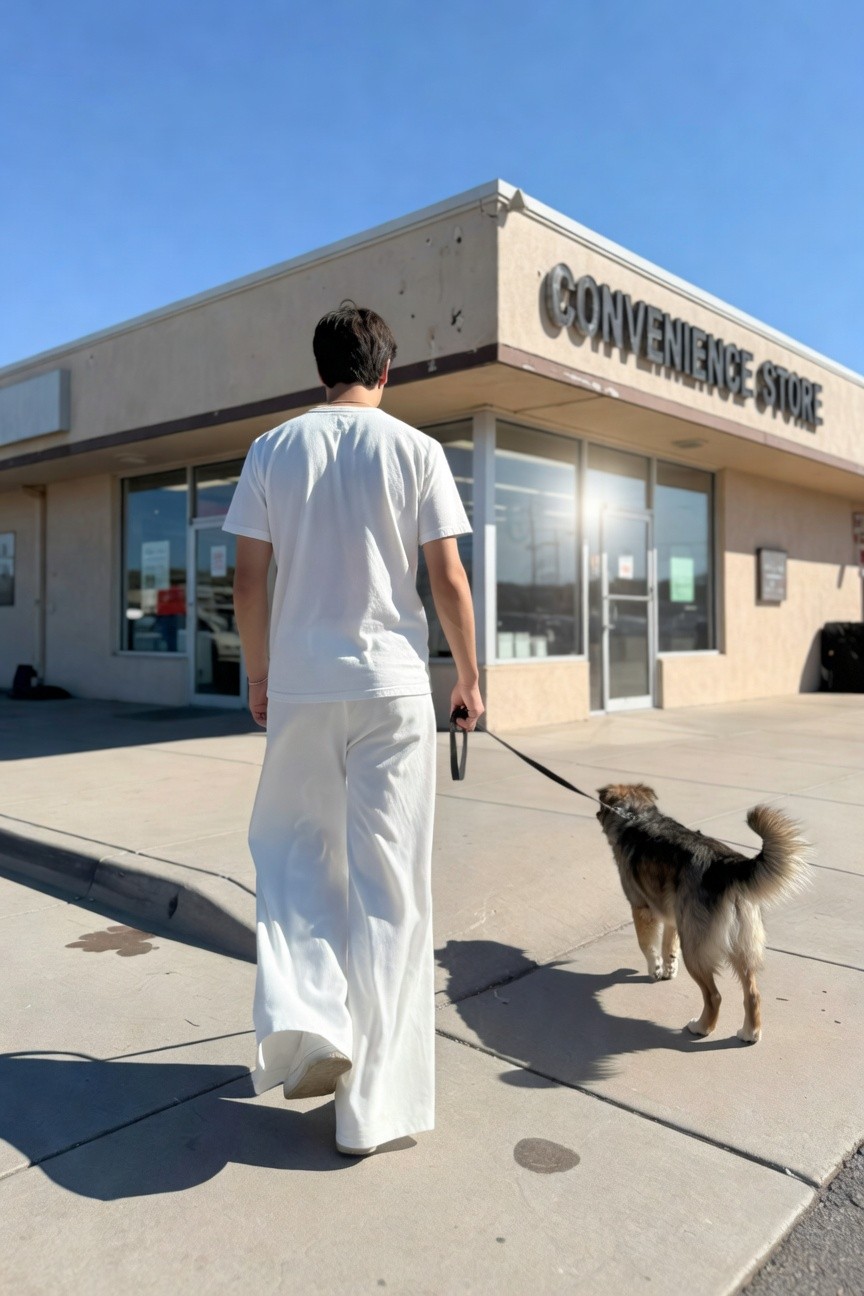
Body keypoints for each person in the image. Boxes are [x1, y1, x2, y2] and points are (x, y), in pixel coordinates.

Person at [223, 302, 483, 1157]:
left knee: (294, 860)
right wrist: (470, 679)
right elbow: (445, 577)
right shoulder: (417, 449)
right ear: (386, 370)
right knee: (392, 892)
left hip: (301, 687)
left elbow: (249, 585)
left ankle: (310, 1020)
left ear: (321, 369)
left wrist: (259, 676)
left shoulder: (272, 448)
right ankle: (371, 1110)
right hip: (396, 693)